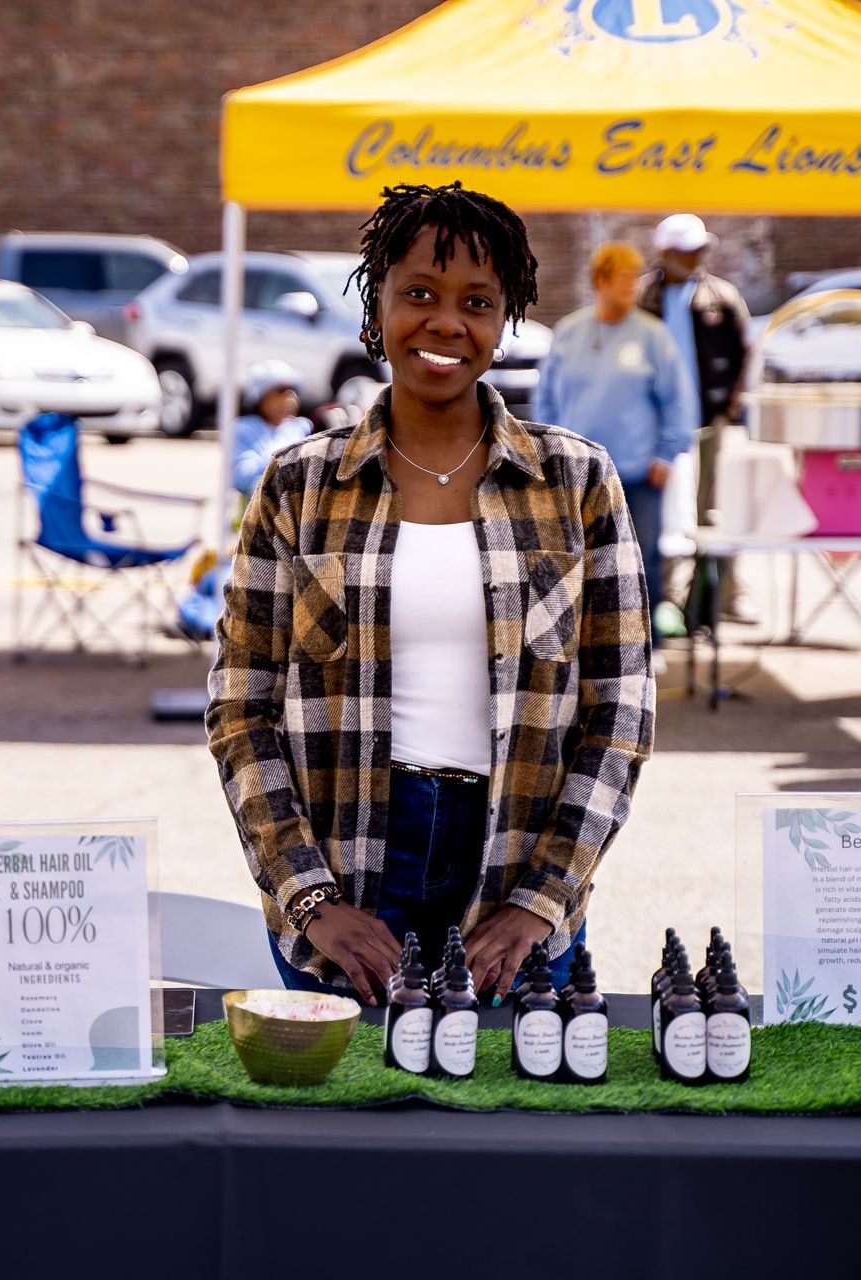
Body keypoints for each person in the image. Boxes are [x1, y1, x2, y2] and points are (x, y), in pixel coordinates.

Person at [207, 182, 654, 1005]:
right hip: (349, 874)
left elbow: (621, 709)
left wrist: (539, 903)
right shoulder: (299, 485)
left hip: (517, 872)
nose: (446, 322)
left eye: (476, 302)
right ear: (375, 308)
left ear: (504, 320)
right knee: (344, 1118)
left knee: (512, 1124)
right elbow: (241, 708)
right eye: (419, 293)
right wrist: (309, 898)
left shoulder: (576, 481)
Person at [532, 240, 697, 645]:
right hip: (574, 476)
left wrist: (667, 453)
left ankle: (643, 645)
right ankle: (581, 641)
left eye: (633, 279)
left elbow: (679, 400)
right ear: (599, 281)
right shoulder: (569, 332)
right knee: (574, 560)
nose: (630, 287)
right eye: (621, 278)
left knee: (639, 560)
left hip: (636, 472)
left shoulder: (652, 336)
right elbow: (547, 399)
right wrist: (544, 452)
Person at [638, 213, 757, 624]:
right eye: (688, 252)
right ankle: (664, 598)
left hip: (706, 419)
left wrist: (730, 406)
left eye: (699, 251)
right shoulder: (644, 297)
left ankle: (723, 596)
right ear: (667, 253)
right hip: (655, 422)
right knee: (663, 510)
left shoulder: (720, 296)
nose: (696, 259)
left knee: (712, 508)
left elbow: (745, 352)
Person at [232, 360, 312, 498]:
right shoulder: (242, 428)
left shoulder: (301, 427)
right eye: (281, 391)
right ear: (261, 398)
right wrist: (283, 452)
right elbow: (241, 478)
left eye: (292, 390)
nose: (290, 397)